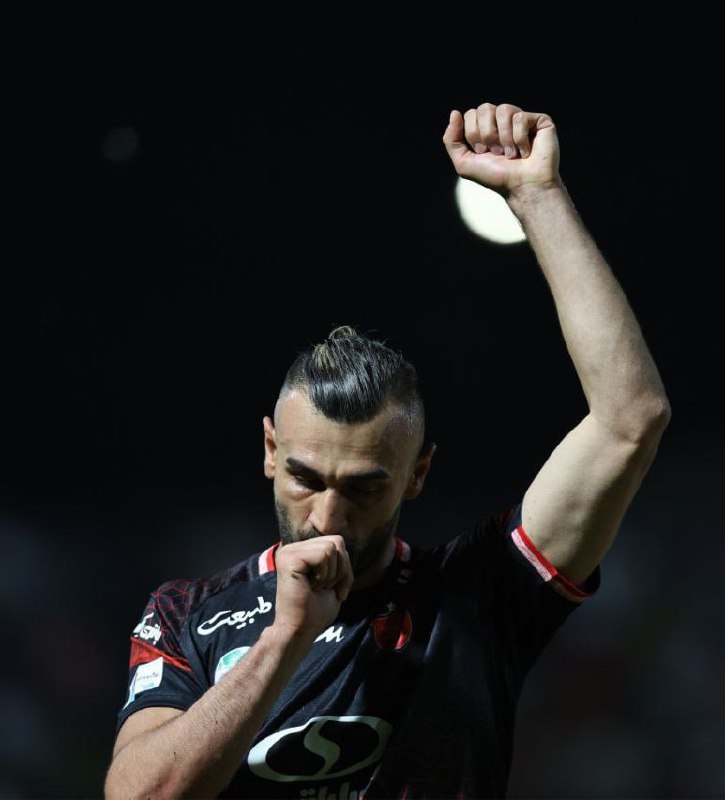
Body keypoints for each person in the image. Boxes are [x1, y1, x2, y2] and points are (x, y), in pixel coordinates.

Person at [104, 101, 671, 800]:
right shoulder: (187, 615)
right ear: (270, 450)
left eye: (364, 487)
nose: (327, 517)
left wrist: (537, 195)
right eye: (305, 478)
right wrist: (285, 639)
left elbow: (630, 420)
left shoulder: (477, 597)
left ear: (417, 473)